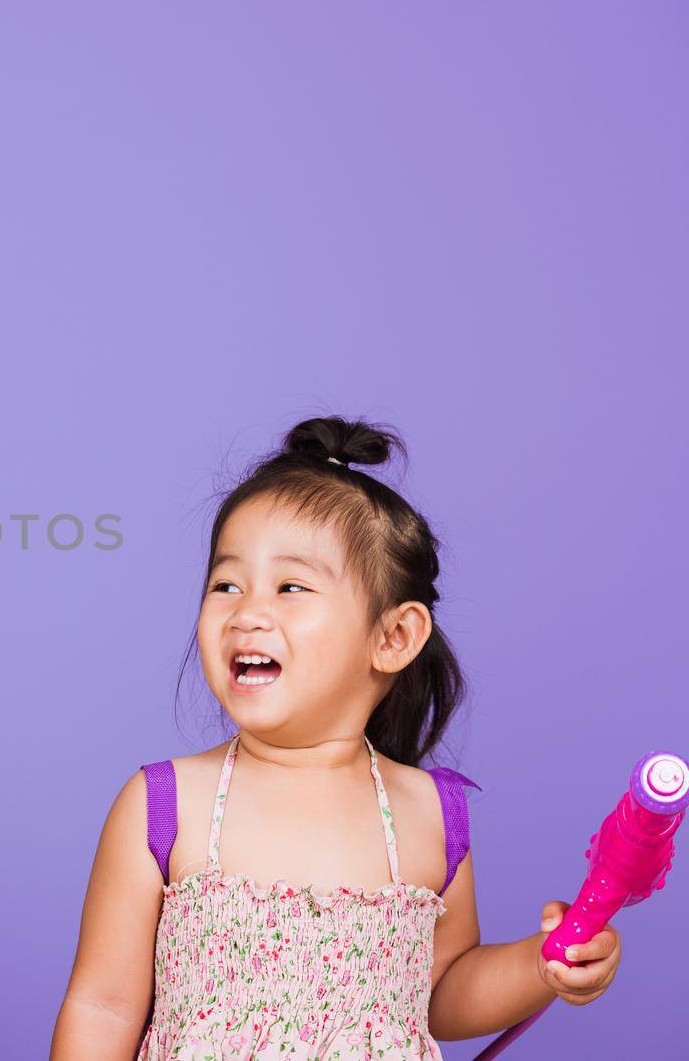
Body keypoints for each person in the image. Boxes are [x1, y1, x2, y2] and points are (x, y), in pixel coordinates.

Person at [51, 417, 622, 1059]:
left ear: (394, 637)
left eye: (291, 587)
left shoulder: (430, 813)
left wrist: (542, 963)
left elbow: (442, 995)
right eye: (225, 584)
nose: (247, 611)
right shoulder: (166, 805)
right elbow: (102, 1005)